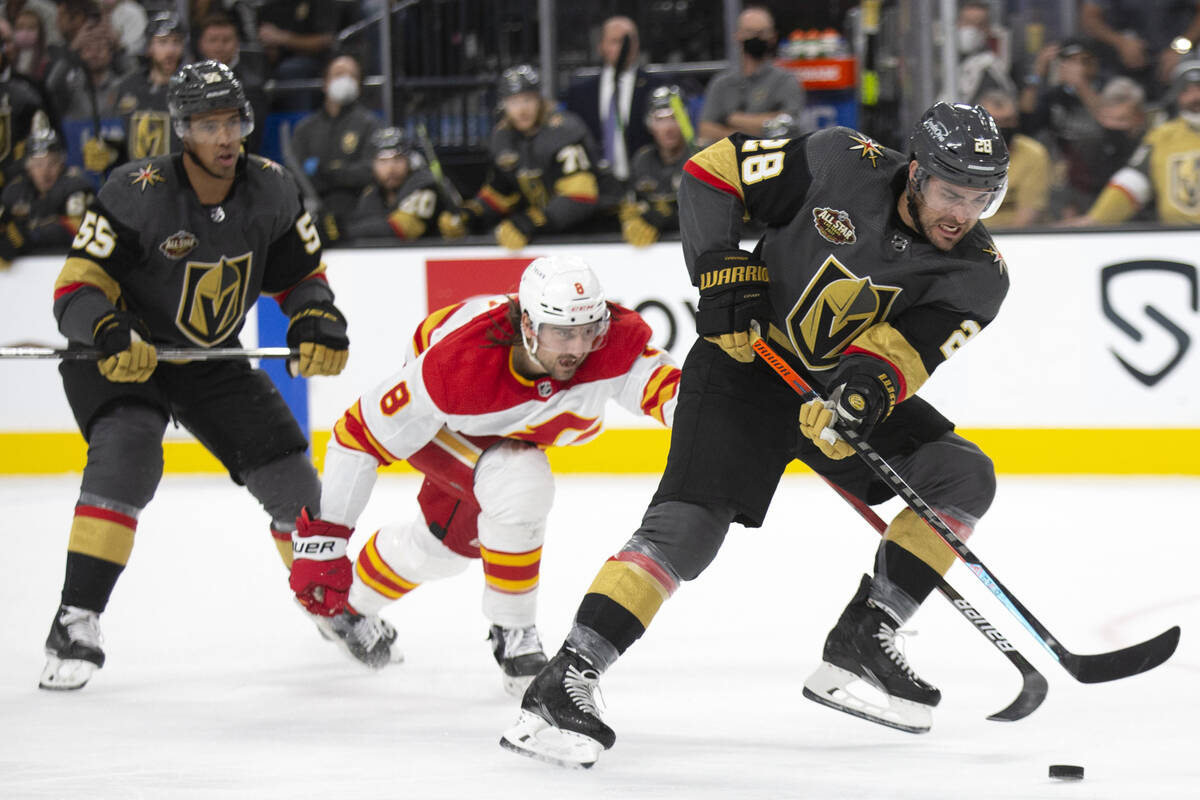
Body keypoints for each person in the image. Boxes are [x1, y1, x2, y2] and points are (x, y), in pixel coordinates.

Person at [501, 101, 1011, 767]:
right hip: (744, 363)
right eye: (950, 192)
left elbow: (903, 353)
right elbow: (711, 172)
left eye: (980, 199)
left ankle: (867, 634)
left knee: (961, 474)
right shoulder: (837, 162)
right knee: (688, 531)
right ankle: (564, 679)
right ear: (915, 173)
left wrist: (856, 397)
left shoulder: (979, 273)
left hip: (826, 390)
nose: (962, 214)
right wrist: (718, 263)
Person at [39, 60, 350, 691]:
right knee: (127, 454)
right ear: (183, 130)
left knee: (292, 475)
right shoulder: (136, 190)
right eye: (209, 124)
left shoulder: (274, 189)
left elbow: (301, 280)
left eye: (233, 120)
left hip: (208, 356)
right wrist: (107, 331)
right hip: (121, 352)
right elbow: (75, 288)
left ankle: (329, 604)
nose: (225, 136)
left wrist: (316, 320)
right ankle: (75, 620)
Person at [286, 256, 680, 697]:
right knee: (521, 482)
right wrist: (325, 541)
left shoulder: (607, 343)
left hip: (504, 430)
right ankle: (515, 636)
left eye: (588, 330)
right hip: (445, 425)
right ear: (527, 326)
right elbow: (356, 435)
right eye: (562, 333)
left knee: (441, 551)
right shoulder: (457, 366)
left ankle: (350, 608)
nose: (577, 347)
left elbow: (669, 389)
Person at [438, 65, 600, 251]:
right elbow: (502, 192)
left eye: (527, 100)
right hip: (550, 234)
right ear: (503, 105)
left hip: (592, 234)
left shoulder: (564, 131)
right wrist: (471, 214)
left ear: (540, 100)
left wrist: (531, 221)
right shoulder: (504, 137)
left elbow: (580, 198)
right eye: (514, 103)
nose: (522, 110)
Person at [1077, 59, 1200, 225]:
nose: (1195, 97)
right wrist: (1094, 220)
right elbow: (1132, 183)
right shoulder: (1162, 135)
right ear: (1177, 97)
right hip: (1176, 240)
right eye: (1186, 90)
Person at [285, 53, 380, 242]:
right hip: (312, 214)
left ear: (359, 87)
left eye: (352, 76)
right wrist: (341, 173)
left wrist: (327, 172)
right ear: (325, 83)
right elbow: (294, 173)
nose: (345, 80)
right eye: (338, 74)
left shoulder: (370, 124)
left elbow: (371, 170)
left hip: (356, 214)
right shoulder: (306, 128)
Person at [562, 15, 659, 184]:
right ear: (601, 47)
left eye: (630, 40)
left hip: (644, 184)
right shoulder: (580, 94)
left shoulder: (655, 88)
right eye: (616, 41)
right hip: (594, 186)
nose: (625, 48)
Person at [697, 5, 805, 146]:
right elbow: (706, 131)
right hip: (729, 163)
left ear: (773, 37)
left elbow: (787, 125)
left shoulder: (786, 81)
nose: (756, 38)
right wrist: (752, 134)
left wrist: (733, 120)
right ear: (737, 36)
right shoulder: (721, 83)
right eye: (750, 32)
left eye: (762, 33)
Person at [0, 124, 93, 266]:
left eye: (52, 164)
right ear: (28, 167)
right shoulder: (14, 191)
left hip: (65, 266)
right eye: (38, 165)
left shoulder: (77, 188)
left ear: (62, 164)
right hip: (22, 277)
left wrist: (26, 235)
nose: (45, 172)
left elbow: (77, 229)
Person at [619, 84, 697, 247]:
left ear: (685, 119)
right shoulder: (642, 160)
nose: (668, 128)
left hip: (694, 246)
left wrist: (663, 219)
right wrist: (631, 220)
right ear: (649, 124)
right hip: (652, 253)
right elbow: (630, 204)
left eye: (674, 117)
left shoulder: (702, 158)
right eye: (660, 119)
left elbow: (708, 216)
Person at [342, 126, 448, 241]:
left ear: (409, 161)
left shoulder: (425, 186)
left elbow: (400, 228)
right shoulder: (372, 194)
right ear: (372, 164)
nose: (391, 168)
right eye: (383, 161)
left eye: (398, 159)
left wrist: (342, 232)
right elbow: (359, 222)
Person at [1081, 0, 1200, 100]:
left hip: (1176, 59)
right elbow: (1090, 18)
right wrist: (1120, 42)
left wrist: (1179, 49)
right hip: (1122, 64)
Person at [112, 12, 185, 163]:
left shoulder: (190, 88)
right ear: (149, 47)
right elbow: (116, 134)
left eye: (176, 42)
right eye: (163, 42)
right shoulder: (128, 86)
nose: (170, 50)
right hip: (134, 176)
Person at [193, 12, 268, 154]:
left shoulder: (251, 86)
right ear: (201, 44)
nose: (219, 46)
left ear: (237, 43)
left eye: (226, 40)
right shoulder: (187, 83)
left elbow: (251, 135)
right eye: (213, 40)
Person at [977, 89, 1050, 227]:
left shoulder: (1034, 154)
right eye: (995, 122)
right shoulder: (962, 155)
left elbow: (1027, 216)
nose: (1002, 128)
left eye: (1008, 120)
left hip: (1016, 238)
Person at [945, 0, 1016, 105]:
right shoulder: (938, 59)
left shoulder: (989, 67)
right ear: (957, 24)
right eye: (967, 22)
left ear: (988, 30)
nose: (972, 30)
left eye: (980, 24)